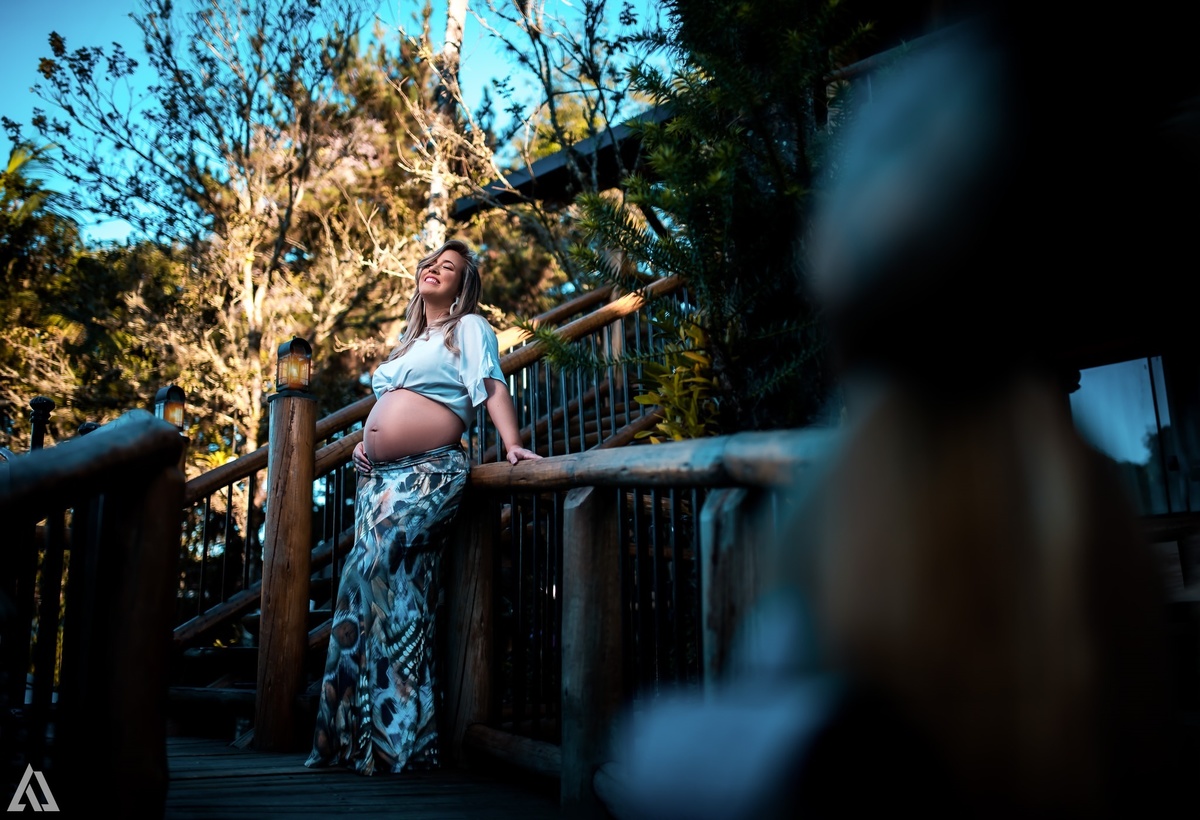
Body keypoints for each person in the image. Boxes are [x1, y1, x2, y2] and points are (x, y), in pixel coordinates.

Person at [305, 239, 541, 776]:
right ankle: (350, 743)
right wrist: (368, 442)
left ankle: (402, 741)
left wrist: (511, 444)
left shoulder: (470, 328)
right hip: (378, 480)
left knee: (389, 578)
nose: (435, 268)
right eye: (432, 262)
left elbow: (489, 385)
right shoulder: (410, 342)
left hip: (430, 473)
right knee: (357, 592)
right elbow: (387, 407)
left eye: (450, 267)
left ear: (463, 284)